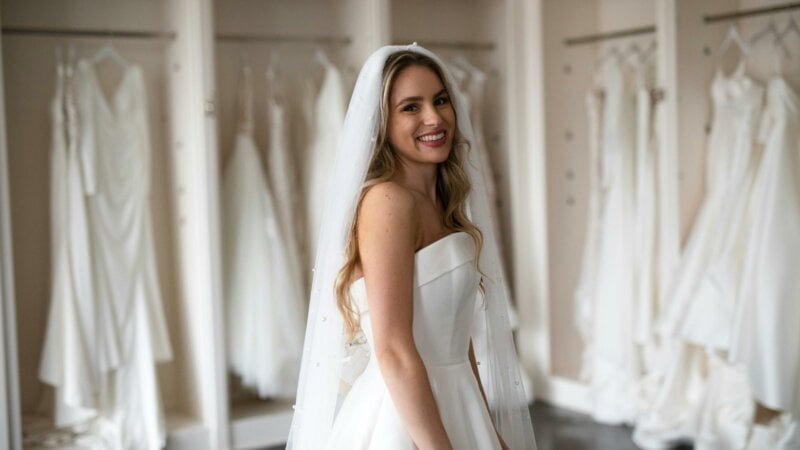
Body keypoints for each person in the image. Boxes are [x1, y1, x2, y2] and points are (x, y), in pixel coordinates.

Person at [287, 44, 536, 450]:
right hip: (403, 418)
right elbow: (393, 348)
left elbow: (458, 340)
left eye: (440, 100)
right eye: (410, 107)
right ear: (382, 123)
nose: (434, 118)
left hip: (459, 403)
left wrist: (488, 431)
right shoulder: (387, 202)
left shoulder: (442, 201)